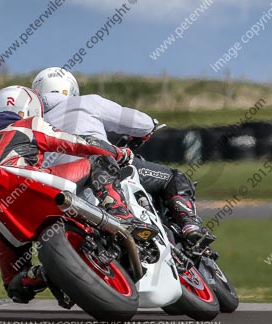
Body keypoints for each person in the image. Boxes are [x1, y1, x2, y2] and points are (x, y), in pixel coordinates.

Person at [0, 85, 148, 304]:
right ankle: (120, 212)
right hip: (30, 184)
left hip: (0, 216)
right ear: (31, 108)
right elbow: (74, 143)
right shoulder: (27, 125)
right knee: (98, 159)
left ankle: (37, 276)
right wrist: (118, 152)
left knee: (15, 285)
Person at [31, 67, 214, 246]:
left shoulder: (33, 123)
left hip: (55, 190)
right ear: (72, 89)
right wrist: (150, 125)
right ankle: (190, 225)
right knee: (174, 178)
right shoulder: (87, 102)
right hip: (98, 169)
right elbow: (140, 124)